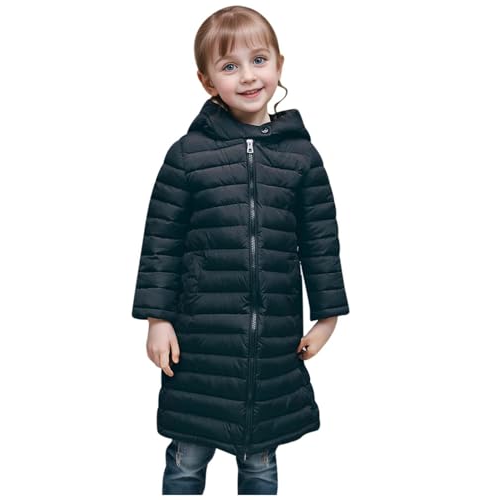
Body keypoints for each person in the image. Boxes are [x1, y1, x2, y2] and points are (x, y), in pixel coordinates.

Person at [131, 5, 350, 495]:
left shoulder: (301, 157)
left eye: (259, 60)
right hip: (199, 342)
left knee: (260, 459)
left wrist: (328, 317)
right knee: (187, 458)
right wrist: (157, 319)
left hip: (271, 342)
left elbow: (320, 241)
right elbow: (161, 241)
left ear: (279, 64)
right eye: (229, 66)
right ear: (207, 81)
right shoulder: (187, 155)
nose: (248, 76)